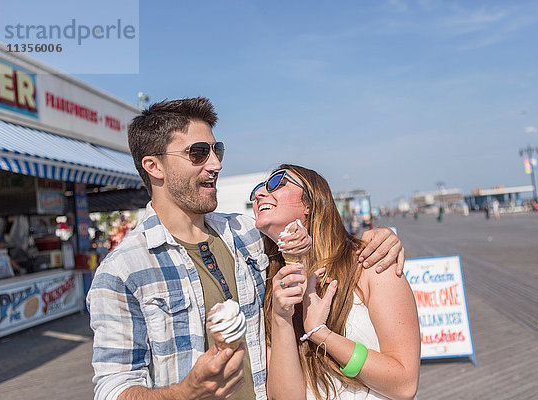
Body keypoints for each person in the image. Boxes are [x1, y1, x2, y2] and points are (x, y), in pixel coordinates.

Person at [87, 97, 405, 400]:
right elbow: (113, 388)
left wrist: (379, 236)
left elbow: (318, 236)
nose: (215, 164)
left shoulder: (246, 234)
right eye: (198, 153)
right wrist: (185, 393)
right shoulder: (121, 271)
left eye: (217, 150)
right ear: (154, 166)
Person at [255, 165, 420, 400]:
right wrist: (281, 319)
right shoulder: (270, 286)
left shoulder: (371, 263)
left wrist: (321, 334)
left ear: (310, 203)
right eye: (258, 190)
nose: (261, 193)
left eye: (276, 183)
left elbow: (403, 385)